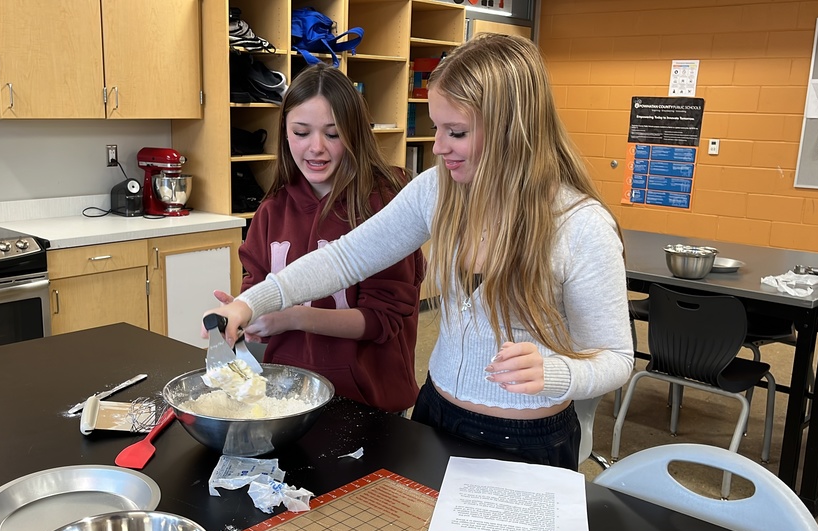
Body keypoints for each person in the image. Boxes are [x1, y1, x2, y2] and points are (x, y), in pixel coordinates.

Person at [207, 34, 633, 470]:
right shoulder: (437, 190)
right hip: (435, 416)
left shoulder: (580, 226)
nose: (438, 146)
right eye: (436, 128)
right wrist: (248, 304)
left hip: (527, 440)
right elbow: (344, 258)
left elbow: (617, 358)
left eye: (456, 132)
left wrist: (558, 373)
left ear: (511, 129)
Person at [220, 63, 426, 413]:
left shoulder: (385, 205)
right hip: (289, 396)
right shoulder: (271, 211)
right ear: (285, 133)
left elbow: (383, 320)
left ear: (356, 134)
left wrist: (292, 317)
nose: (316, 147)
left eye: (333, 134)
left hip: (369, 402)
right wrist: (248, 318)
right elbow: (256, 289)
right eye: (301, 132)